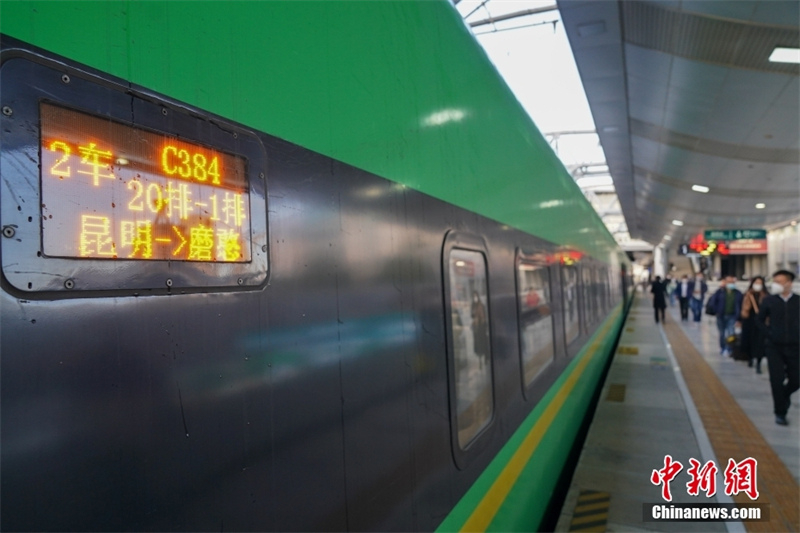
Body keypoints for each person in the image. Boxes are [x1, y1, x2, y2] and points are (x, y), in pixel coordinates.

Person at [757, 270, 799, 426]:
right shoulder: (769, 300)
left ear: (789, 283)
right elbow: (759, 320)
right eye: (775, 281)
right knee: (776, 380)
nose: (776, 285)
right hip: (774, 347)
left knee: (796, 379)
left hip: (795, 347)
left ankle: (785, 395)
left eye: (779, 281)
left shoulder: (797, 301)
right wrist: (770, 334)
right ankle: (780, 412)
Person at [737, 276, 768, 373]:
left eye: (760, 283)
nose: (758, 285)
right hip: (749, 321)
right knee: (749, 340)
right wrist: (739, 320)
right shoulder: (747, 294)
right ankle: (750, 358)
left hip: (761, 322)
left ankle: (758, 362)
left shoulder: (766, 296)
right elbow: (741, 308)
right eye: (756, 283)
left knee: (760, 342)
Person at [707, 276, 742, 356]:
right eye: (729, 282)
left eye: (732, 282)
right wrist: (716, 311)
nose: (731, 284)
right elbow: (713, 302)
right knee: (722, 333)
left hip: (732, 315)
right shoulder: (720, 292)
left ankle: (730, 348)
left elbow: (740, 305)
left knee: (730, 333)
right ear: (725, 282)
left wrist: (739, 318)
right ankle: (723, 348)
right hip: (721, 315)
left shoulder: (738, 293)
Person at [471, 292, 489, 369]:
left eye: (476, 296)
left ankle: (485, 358)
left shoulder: (482, 305)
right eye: (474, 296)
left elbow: (484, 316)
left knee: (483, 342)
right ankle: (480, 361)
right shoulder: (473, 306)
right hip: (476, 327)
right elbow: (471, 315)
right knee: (478, 344)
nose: (475, 298)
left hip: (482, 327)